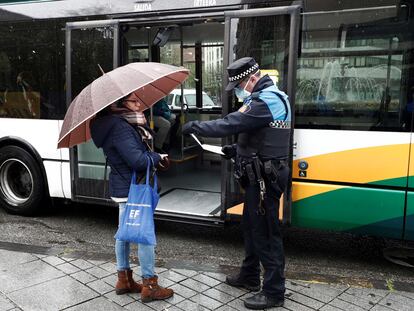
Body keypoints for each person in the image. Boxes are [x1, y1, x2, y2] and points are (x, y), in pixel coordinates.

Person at [182, 57, 291, 310]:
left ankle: (274, 292)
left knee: (265, 232)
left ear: (252, 79)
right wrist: (235, 150)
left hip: (265, 178)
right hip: (259, 175)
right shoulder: (265, 98)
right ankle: (250, 275)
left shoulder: (266, 100)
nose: (239, 91)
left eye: (240, 85)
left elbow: (231, 123)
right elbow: (261, 135)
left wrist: (195, 126)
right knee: (252, 228)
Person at [90, 91, 174, 303]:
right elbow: (137, 160)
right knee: (144, 234)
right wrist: (157, 157)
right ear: (120, 105)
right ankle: (150, 285)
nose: (139, 104)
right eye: (134, 101)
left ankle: (124, 280)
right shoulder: (120, 127)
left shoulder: (117, 124)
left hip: (124, 186)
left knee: (124, 233)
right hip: (133, 188)